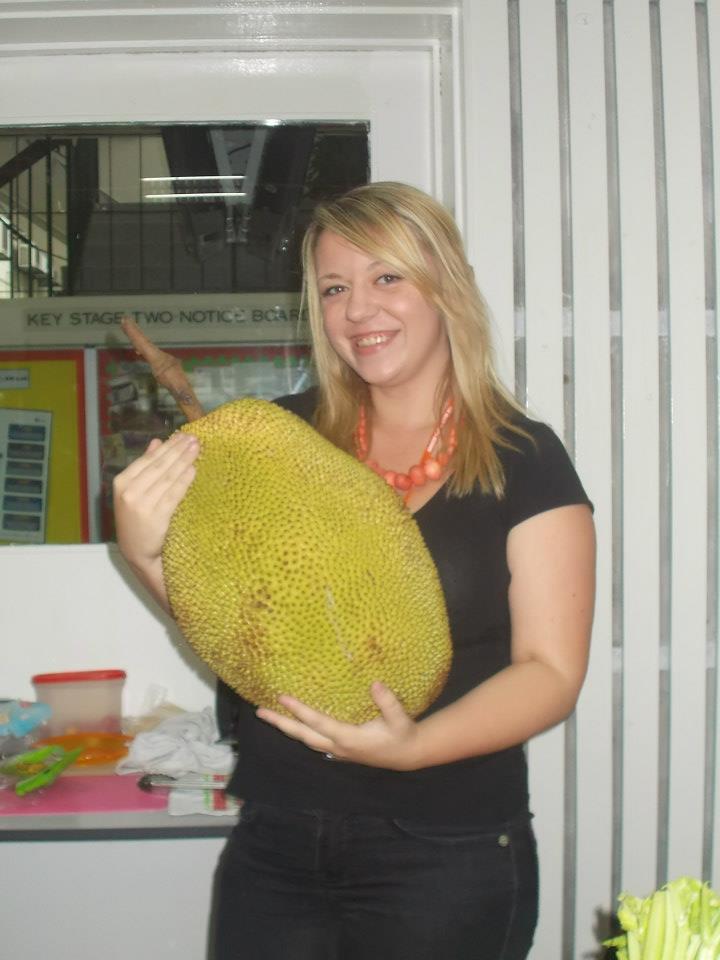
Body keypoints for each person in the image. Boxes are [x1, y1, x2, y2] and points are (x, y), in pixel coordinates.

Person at [113, 181, 596, 960]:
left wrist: (413, 747)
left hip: (448, 847)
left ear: (445, 285)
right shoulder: (278, 435)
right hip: (278, 836)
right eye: (335, 288)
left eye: (387, 277)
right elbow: (241, 628)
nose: (358, 310)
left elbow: (551, 671)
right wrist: (142, 550)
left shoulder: (523, 458)